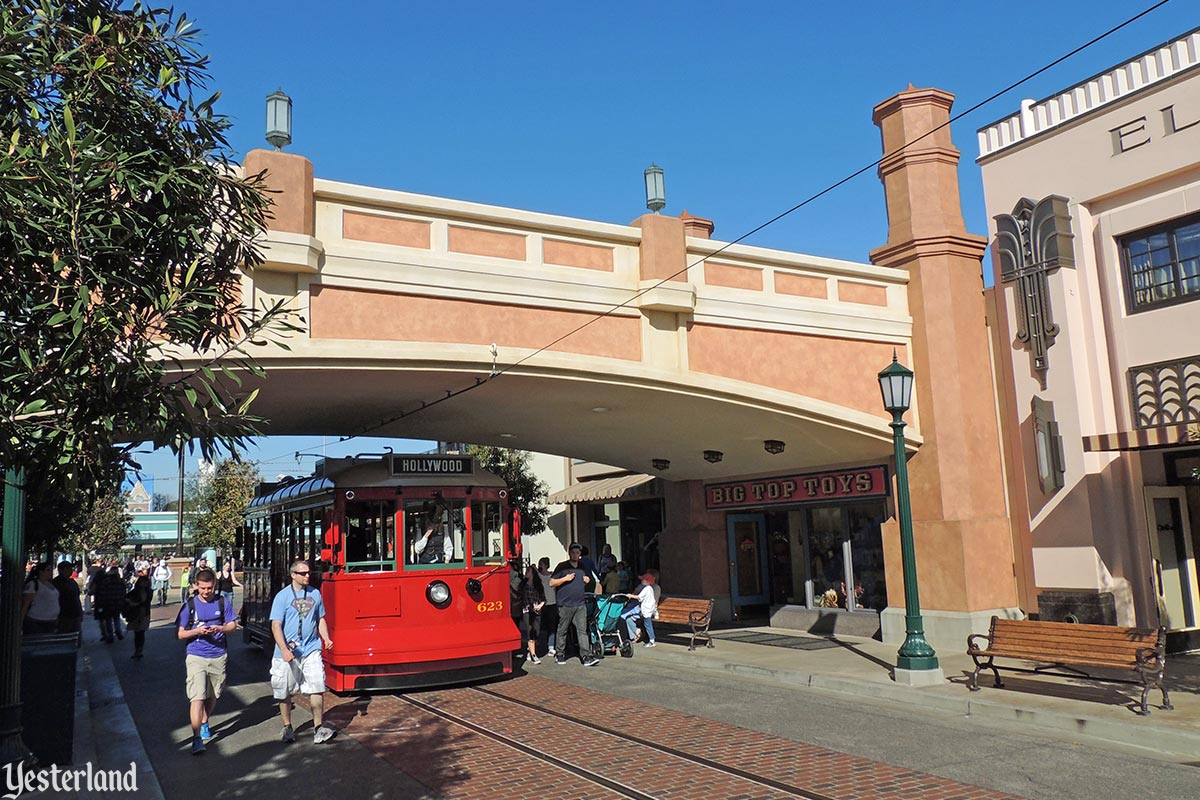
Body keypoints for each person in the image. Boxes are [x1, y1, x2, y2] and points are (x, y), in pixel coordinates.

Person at [270, 559, 335, 745]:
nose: (308, 576)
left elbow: (320, 618)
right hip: (287, 652)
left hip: (311, 649)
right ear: (293, 575)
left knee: (317, 686)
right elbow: (276, 625)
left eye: (309, 573)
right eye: (303, 573)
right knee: (284, 692)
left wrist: (326, 638)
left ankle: (318, 727)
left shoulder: (315, 594)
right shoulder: (282, 597)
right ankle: (287, 726)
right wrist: (283, 650)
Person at [176, 568, 237, 755]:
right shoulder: (190, 605)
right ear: (196, 586)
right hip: (196, 655)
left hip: (218, 654)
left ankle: (204, 721)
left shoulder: (222, 602)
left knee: (213, 695)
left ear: (215, 586)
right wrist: (197, 631)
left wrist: (220, 628)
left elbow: (232, 625)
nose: (206, 591)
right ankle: (196, 739)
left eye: (209, 588)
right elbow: (180, 633)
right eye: (202, 588)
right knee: (197, 696)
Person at [549, 543, 599, 667]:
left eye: (578, 553)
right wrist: (565, 579)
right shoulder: (562, 567)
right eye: (573, 552)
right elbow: (551, 582)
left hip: (580, 603)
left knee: (582, 630)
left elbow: (588, 579)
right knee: (563, 629)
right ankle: (560, 653)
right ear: (569, 553)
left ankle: (586, 656)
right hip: (565, 604)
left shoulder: (582, 567)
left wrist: (587, 580)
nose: (576, 555)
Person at [619, 572, 659, 647]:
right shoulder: (649, 589)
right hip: (646, 611)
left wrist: (630, 595)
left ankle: (652, 640)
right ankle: (636, 632)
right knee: (629, 619)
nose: (641, 581)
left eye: (643, 580)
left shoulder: (647, 589)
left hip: (646, 611)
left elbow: (638, 597)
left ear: (647, 581)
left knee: (648, 625)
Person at [21, 563, 60, 635]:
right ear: (41, 572)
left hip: (52, 621)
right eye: (48, 570)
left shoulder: (51, 584)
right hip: (36, 621)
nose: (50, 572)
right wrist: (20, 622)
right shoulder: (33, 584)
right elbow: (26, 604)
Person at [125, 564, 153, 659]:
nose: (143, 584)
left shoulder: (148, 592)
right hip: (136, 614)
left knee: (140, 633)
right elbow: (127, 597)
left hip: (143, 614)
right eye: (142, 582)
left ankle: (139, 650)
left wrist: (133, 603)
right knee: (137, 633)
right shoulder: (136, 591)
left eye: (145, 582)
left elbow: (144, 601)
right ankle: (137, 650)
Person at [519, 564, 545, 664]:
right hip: (526, 610)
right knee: (530, 631)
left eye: (528, 571)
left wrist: (540, 606)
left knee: (536, 632)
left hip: (536, 610)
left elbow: (543, 599)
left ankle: (530, 651)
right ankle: (534, 655)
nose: (526, 573)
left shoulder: (538, 585)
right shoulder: (523, 584)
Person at [52, 561, 84, 643]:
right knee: (65, 639)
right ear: (61, 570)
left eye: (71, 568)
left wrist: (80, 612)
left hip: (75, 614)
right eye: (68, 568)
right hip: (63, 616)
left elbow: (76, 598)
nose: (71, 570)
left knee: (75, 640)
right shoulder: (56, 583)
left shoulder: (72, 582)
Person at [95, 563, 128, 643]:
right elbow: (124, 592)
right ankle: (118, 631)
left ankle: (110, 635)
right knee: (116, 618)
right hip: (117, 603)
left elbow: (103, 592)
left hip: (108, 603)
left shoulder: (106, 582)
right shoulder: (120, 581)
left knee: (108, 620)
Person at [536, 557, 558, 656]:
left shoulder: (552, 576)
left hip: (552, 603)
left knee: (551, 626)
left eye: (541, 564)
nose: (539, 566)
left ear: (545, 565)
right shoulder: (538, 576)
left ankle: (551, 646)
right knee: (541, 626)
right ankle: (541, 646)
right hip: (541, 604)